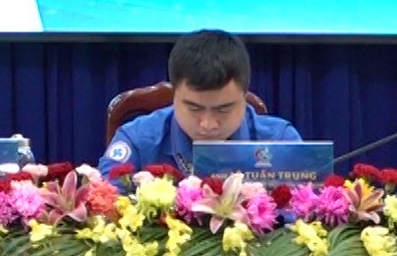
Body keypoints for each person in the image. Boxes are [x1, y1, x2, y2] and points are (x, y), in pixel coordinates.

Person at [101, 29, 301, 173]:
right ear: (174, 95)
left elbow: (308, 211)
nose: (208, 124)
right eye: (194, 108)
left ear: (244, 96)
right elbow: (105, 206)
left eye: (223, 109)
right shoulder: (137, 141)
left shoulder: (280, 141)